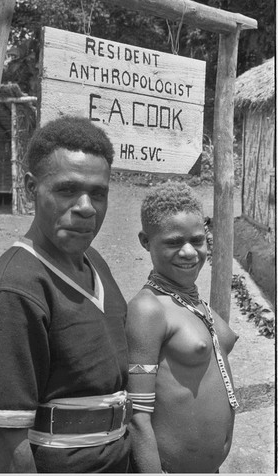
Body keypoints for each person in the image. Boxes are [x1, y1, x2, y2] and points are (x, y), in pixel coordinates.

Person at [0, 116, 132, 473]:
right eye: (67, 190)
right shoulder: (16, 289)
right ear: (30, 188)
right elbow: (10, 438)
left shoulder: (94, 262)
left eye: (98, 193)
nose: (86, 206)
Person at [126, 181, 239, 473]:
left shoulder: (191, 301)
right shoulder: (149, 309)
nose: (189, 252)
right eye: (174, 242)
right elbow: (138, 417)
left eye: (197, 240)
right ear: (145, 241)